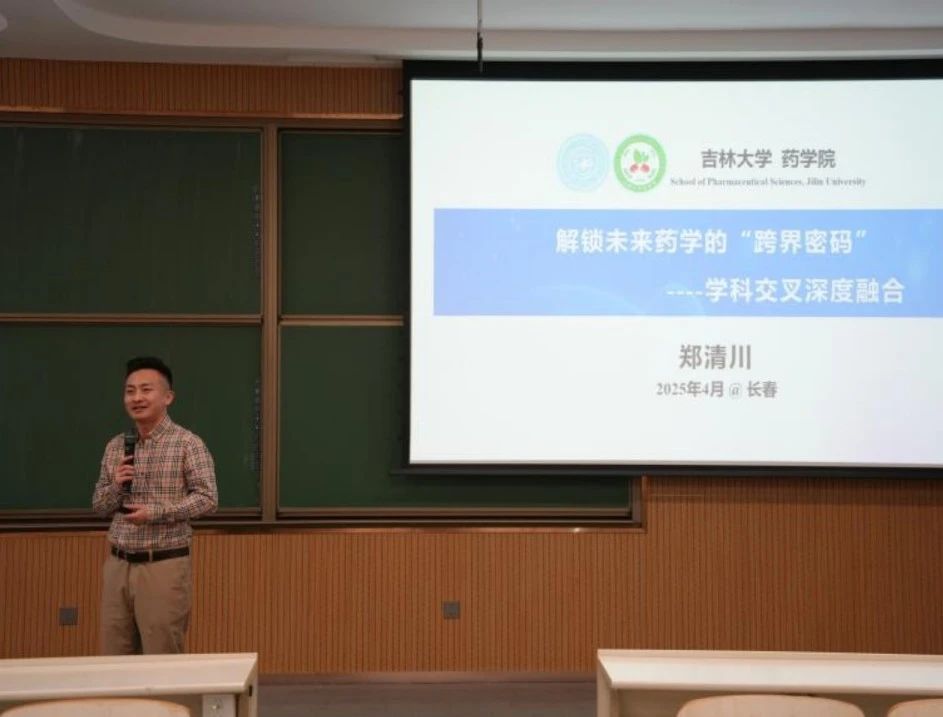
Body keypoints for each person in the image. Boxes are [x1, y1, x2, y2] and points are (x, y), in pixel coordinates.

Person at [92, 356, 218, 654]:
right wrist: (116, 485)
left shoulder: (188, 444)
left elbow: (208, 499)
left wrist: (156, 513)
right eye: (130, 391)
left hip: (163, 564)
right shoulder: (116, 446)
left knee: (161, 658)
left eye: (146, 390)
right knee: (113, 657)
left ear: (167, 397)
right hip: (118, 565)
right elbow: (99, 505)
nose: (137, 398)